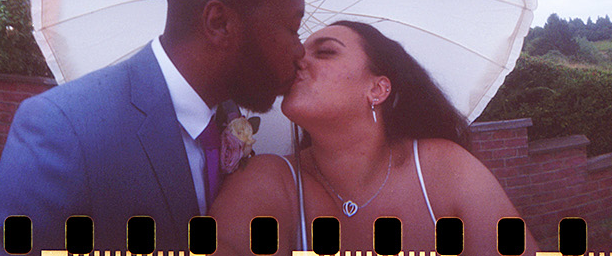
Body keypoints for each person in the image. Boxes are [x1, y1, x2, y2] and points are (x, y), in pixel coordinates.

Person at [0, 0, 306, 256]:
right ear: (219, 23)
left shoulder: (230, 120)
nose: (301, 51)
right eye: (292, 28)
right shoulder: (64, 128)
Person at [208, 21, 538, 254]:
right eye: (299, 53)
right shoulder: (269, 180)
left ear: (377, 89)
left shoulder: (441, 168)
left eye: (325, 52)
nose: (298, 60)